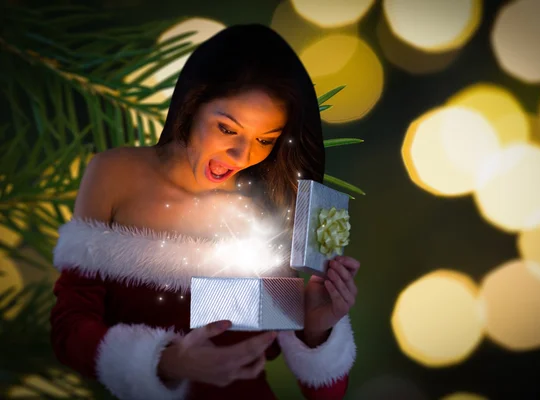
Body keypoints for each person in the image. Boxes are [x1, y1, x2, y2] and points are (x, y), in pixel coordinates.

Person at [50, 24, 360, 400]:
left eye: (265, 140)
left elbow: (325, 392)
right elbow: (69, 330)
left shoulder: (269, 210)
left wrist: (317, 328)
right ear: (192, 103)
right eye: (227, 129)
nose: (242, 156)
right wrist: (167, 360)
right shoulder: (113, 174)